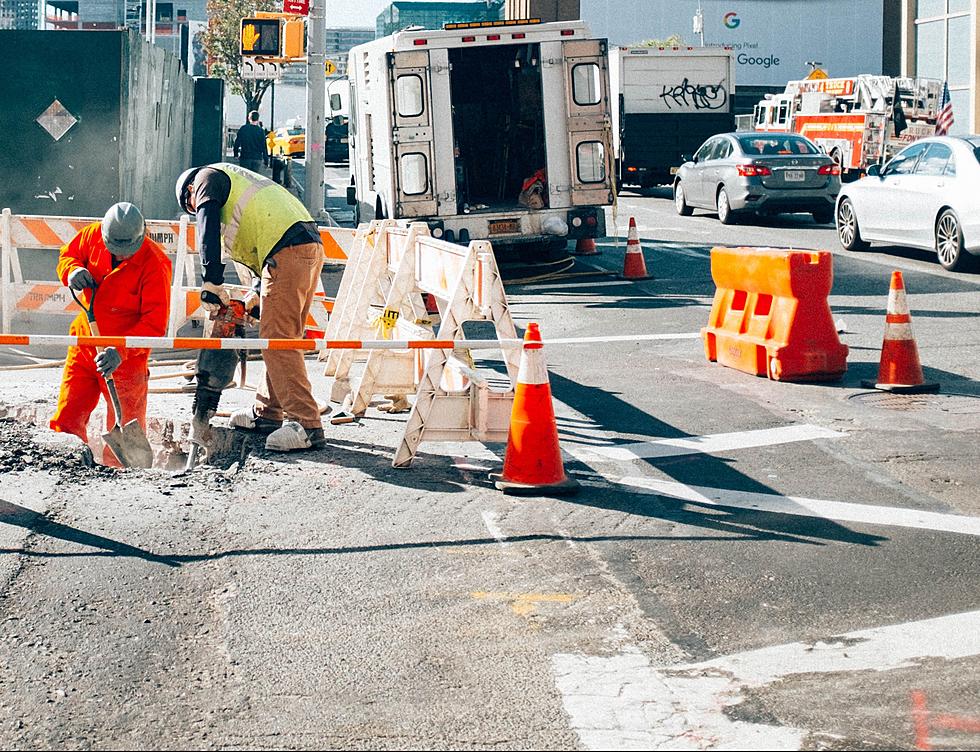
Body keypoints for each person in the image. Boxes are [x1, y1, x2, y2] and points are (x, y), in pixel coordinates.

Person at [174, 163, 325, 452]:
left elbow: (206, 222)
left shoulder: (206, 178)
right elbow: (262, 234)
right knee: (279, 335)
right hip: (301, 245)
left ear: (190, 191)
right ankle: (267, 412)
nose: (196, 210)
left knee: (278, 339)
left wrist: (212, 281)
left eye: (192, 206)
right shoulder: (239, 184)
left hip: (288, 249)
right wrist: (256, 294)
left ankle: (307, 424)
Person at [50, 203, 172, 465]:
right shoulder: (92, 235)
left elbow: (154, 324)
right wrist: (71, 271)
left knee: (124, 422)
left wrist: (121, 351)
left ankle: (119, 478)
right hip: (85, 343)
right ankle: (64, 465)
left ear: (140, 237)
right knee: (68, 415)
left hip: (126, 359)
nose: (120, 253)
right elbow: (67, 256)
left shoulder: (155, 264)